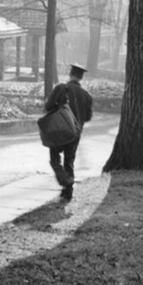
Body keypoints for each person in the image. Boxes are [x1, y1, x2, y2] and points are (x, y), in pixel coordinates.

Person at [44, 63, 93, 201]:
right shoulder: (87, 96)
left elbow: (48, 107)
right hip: (75, 133)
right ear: (81, 77)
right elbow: (88, 117)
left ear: (70, 74)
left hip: (59, 130)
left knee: (55, 159)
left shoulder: (61, 88)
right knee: (69, 160)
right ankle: (68, 191)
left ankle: (65, 180)